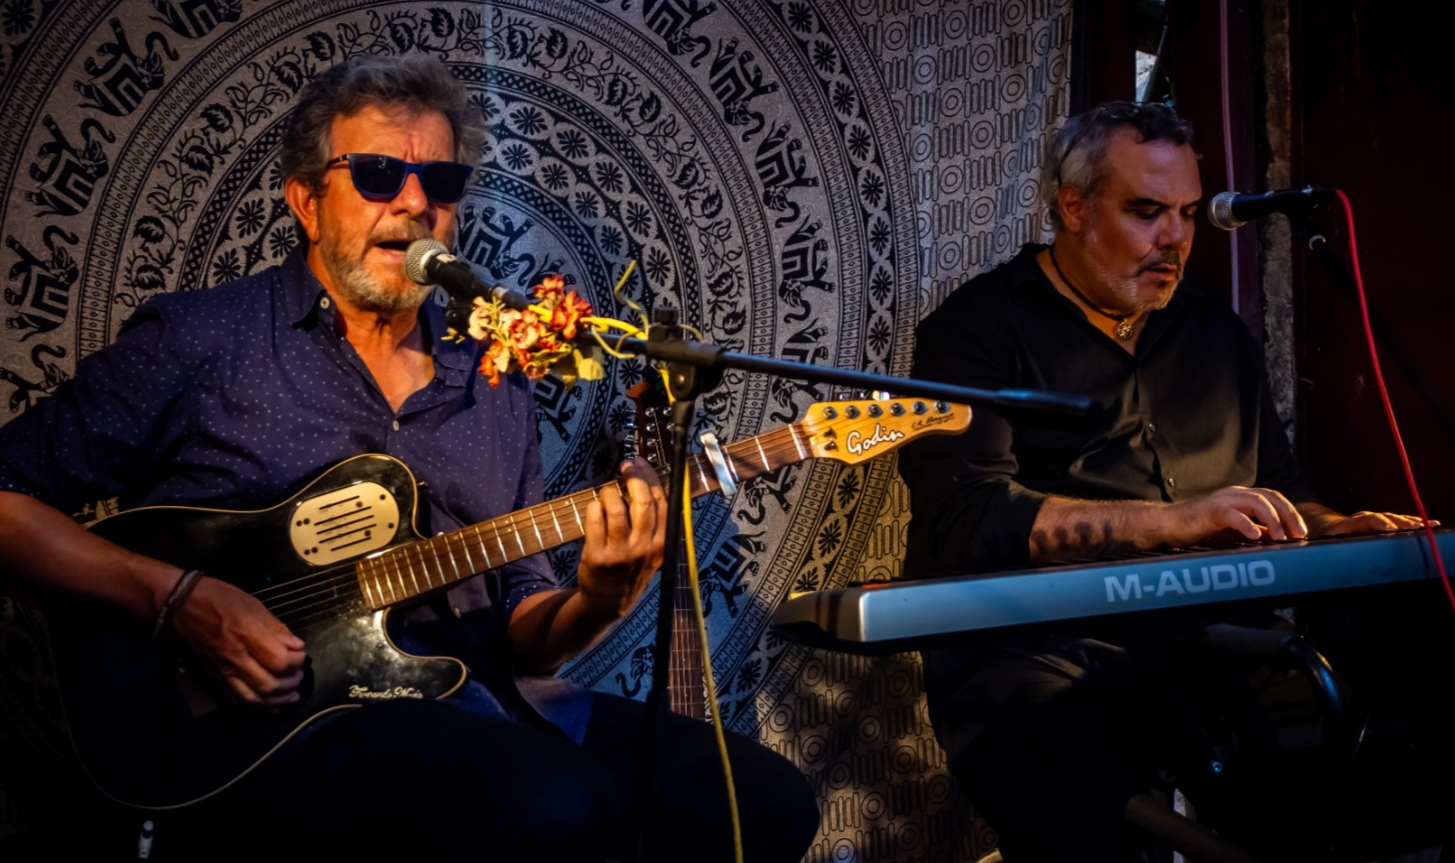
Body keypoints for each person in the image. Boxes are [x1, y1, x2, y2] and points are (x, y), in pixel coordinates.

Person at [0, 54, 816, 862]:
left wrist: (599, 598)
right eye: (380, 174)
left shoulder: (493, 377)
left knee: (763, 804)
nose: (417, 202)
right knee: (556, 805)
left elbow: (528, 627)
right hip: (270, 726)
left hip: (481, 702)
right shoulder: (201, 338)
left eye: (443, 183)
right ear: (306, 200)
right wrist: (177, 596)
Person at [897, 102, 1427, 862]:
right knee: (1083, 802)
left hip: (1211, 652)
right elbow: (967, 515)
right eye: (1147, 212)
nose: (1175, 238)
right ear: (1072, 207)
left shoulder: (1213, 333)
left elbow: (1279, 487)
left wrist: (1330, 528)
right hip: (1039, 657)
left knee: (1376, 763)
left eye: (1183, 213)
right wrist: (1173, 520)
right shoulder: (975, 330)